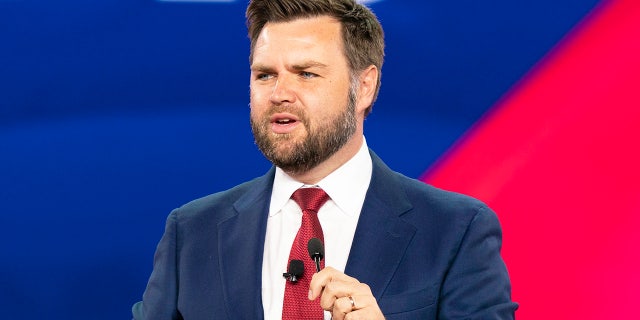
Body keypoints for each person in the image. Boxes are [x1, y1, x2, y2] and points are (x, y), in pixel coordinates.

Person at [132, 0, 518, 319]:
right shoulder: (192, 233)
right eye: (265, 75)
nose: (280, 92)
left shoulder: (455, 231)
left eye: (306, 73)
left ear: (364, 86)